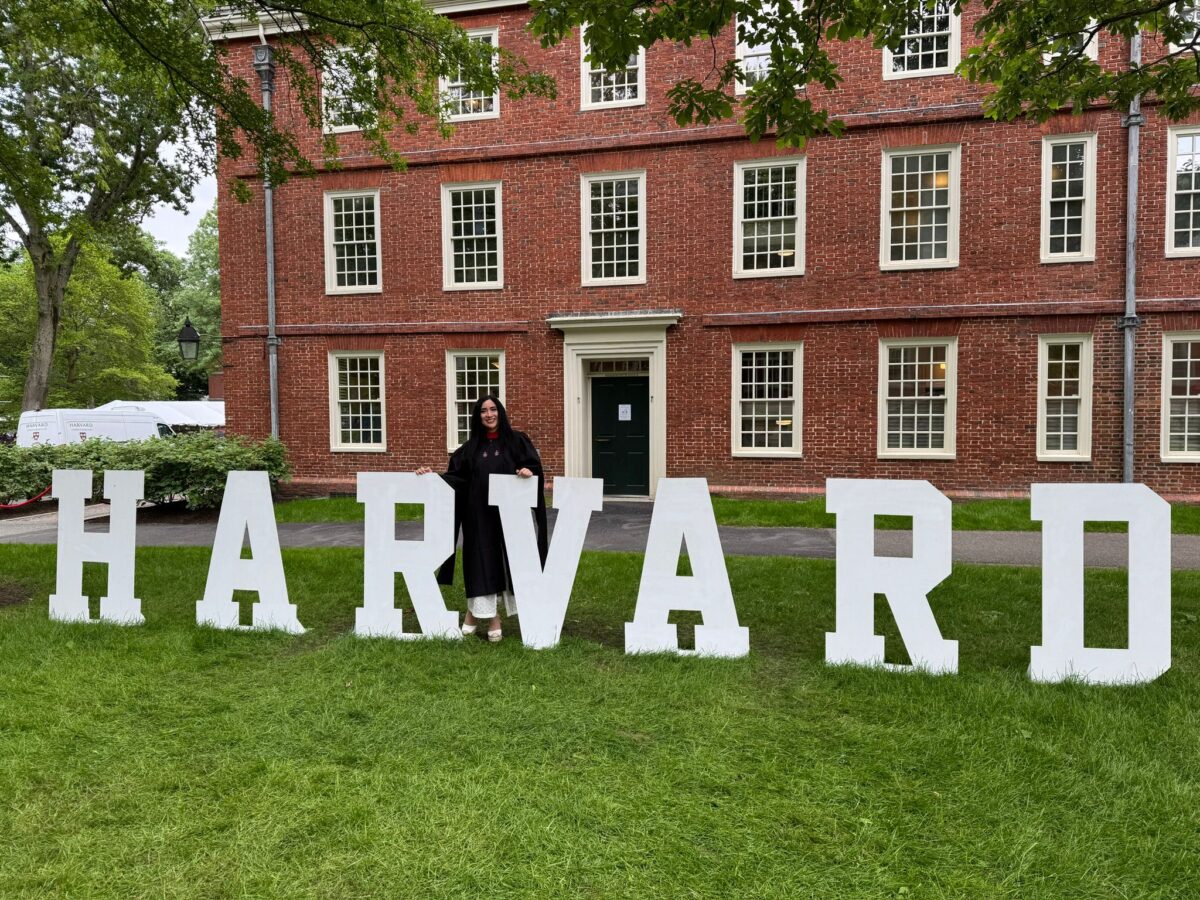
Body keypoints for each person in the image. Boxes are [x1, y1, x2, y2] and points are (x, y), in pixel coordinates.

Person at [416, 395, 547, 643]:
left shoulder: (517, 441)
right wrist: (432, 477)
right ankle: (492, 618)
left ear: (500, 412)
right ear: (478, 416)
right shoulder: (470, 449)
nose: (489, 414)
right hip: (478, 516)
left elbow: (534, 468)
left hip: (509, 515)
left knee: (506, 562)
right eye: (484, 411)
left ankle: (473, 615)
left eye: (493, 409)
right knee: (480, 562)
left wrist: (528, 471)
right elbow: (455, 479)